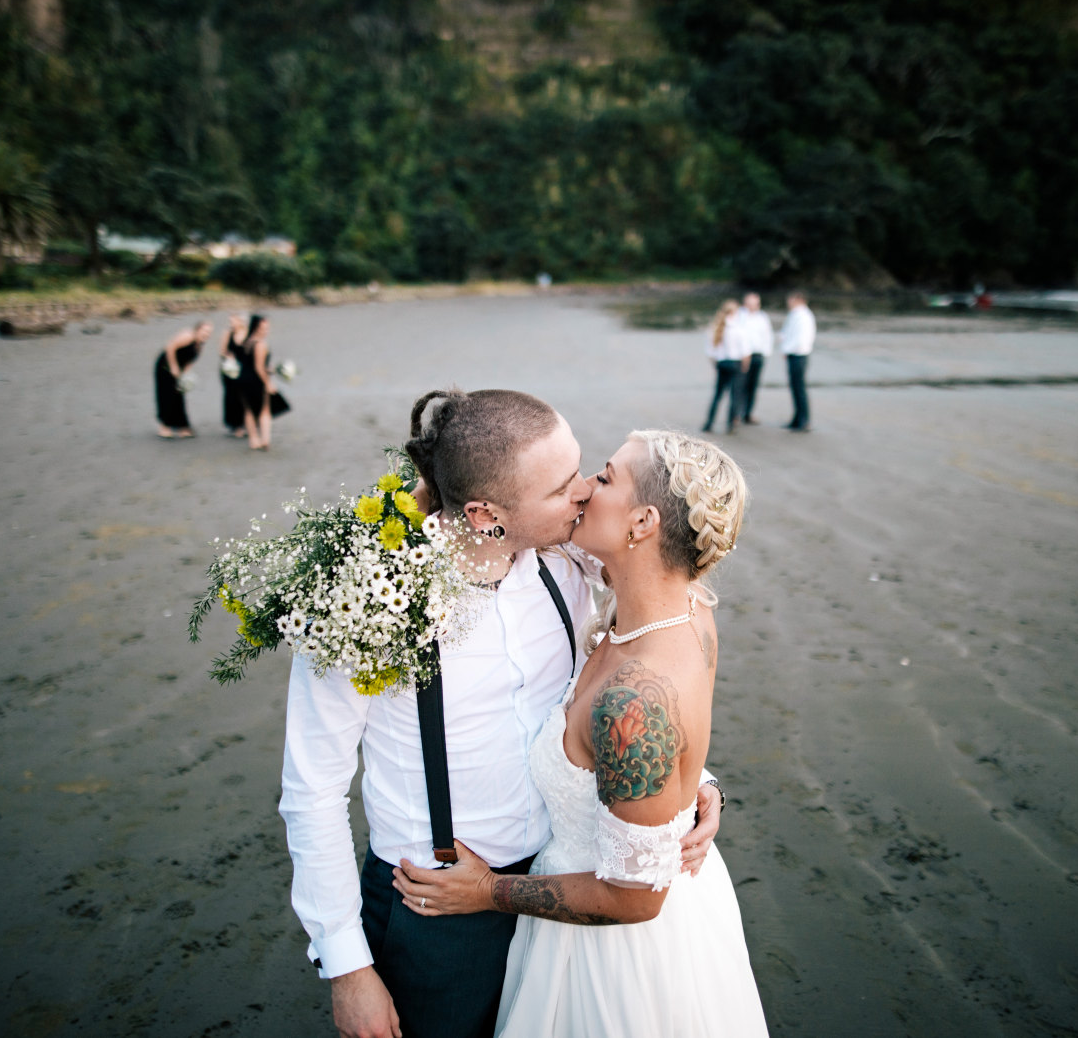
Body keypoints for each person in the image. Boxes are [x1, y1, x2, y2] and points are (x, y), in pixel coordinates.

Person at [279, 389, 724, 1038]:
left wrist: (690, 785)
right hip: (435, 911)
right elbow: (312, 791)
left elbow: (631, 677)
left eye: (582, 469)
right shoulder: (367, 606)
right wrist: (347, 967)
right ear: (486, 515)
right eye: (561, 487)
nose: (584, 492)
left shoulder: (567, 566)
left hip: (563, 884)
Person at [396, 430, 766, 1038]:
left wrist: (488, 891)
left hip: (613, 958)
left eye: (606, 476)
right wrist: (699, 788)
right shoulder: (686, 607)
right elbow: (680, 742)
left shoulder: (633, 702)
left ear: (643, 522)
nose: (585, 488)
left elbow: (635, 898)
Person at [153, 320, 213, 438]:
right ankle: (164, 427)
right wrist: (173, 366)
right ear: (198, 329)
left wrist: (186, 377)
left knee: (179, 396)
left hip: (179, 369)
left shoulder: (199, 346)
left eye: (209, 332)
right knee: (167, 396)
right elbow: (170, 346)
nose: (207, 334)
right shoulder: (188, 336)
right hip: (165, 366)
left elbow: (189, 361)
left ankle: (181, 426)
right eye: (205, 331)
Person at [701, 300, 748, 434]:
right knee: (735, 394)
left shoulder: (715, 328)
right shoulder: (738, 329)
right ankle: (731, 424)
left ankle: (709, 422)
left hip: (722, 363)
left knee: (718, 394)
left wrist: (716, 364)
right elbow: (745, 352)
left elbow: (710, 353)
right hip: (736, 363)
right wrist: (745, 367)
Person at [733, 292, 774, 425]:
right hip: (743, 356)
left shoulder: (762, 317)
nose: (752, 306)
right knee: (740, 385)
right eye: (750, 304)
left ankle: (748, 413)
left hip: (758, 354)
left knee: (753, 385)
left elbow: (768, 336)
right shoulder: (738, 315)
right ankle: (736, 414)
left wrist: (766, 353)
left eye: (755, 304)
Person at [237, 314, 273, 451]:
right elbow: (259, 367)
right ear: (256, 328)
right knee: (264, 410)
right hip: (255, 380)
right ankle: (265, 439)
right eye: (263, 328)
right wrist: (268, 383)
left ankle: (253, 439)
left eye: (267, 328)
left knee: (249, 410)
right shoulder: (260, 344)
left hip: (242, 378)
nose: (266, 331)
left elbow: (248, 362)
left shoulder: (247, 342)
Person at [781, 290, 815, 432]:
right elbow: (787, 333)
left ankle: (804, 421)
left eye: (790, 299)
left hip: (799, 355)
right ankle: (796, 419)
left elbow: (801, 339)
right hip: (793, 354)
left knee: (799, 388)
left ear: (798, 300)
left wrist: (787, 349)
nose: (788, 302)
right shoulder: (795, 314)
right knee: (794, 387)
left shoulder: (804, 316)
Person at [219, 313, 250, 438]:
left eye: (233, 320)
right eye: (230, 320)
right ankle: (235, 425)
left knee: (245, 395)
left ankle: (247, 423)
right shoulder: (227, 333)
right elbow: (222, 352)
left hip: (245, 369)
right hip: (230, 369)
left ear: (240, 320)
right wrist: (228, 357)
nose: (231, 322)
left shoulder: (248, 333)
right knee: (232, 396)